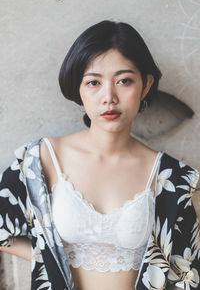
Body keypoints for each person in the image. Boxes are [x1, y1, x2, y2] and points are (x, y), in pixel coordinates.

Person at [0, 20, 200, 290]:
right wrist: (46, 256)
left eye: (124, 81)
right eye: (93, 82)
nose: (109, 97)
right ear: (78, 88)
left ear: (146, 84)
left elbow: (187, 273)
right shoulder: (42, 159)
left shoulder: (172, 177)